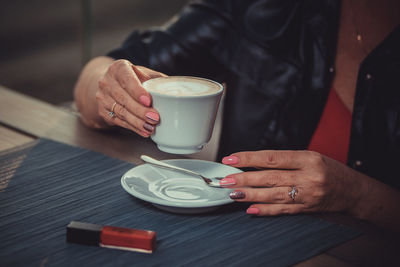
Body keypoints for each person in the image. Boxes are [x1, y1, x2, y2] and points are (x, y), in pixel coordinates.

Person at [74, 0, 400, 232]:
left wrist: (359, 196)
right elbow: (97, 75)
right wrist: (110, 89)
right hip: (230, 234)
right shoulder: (260, 7)